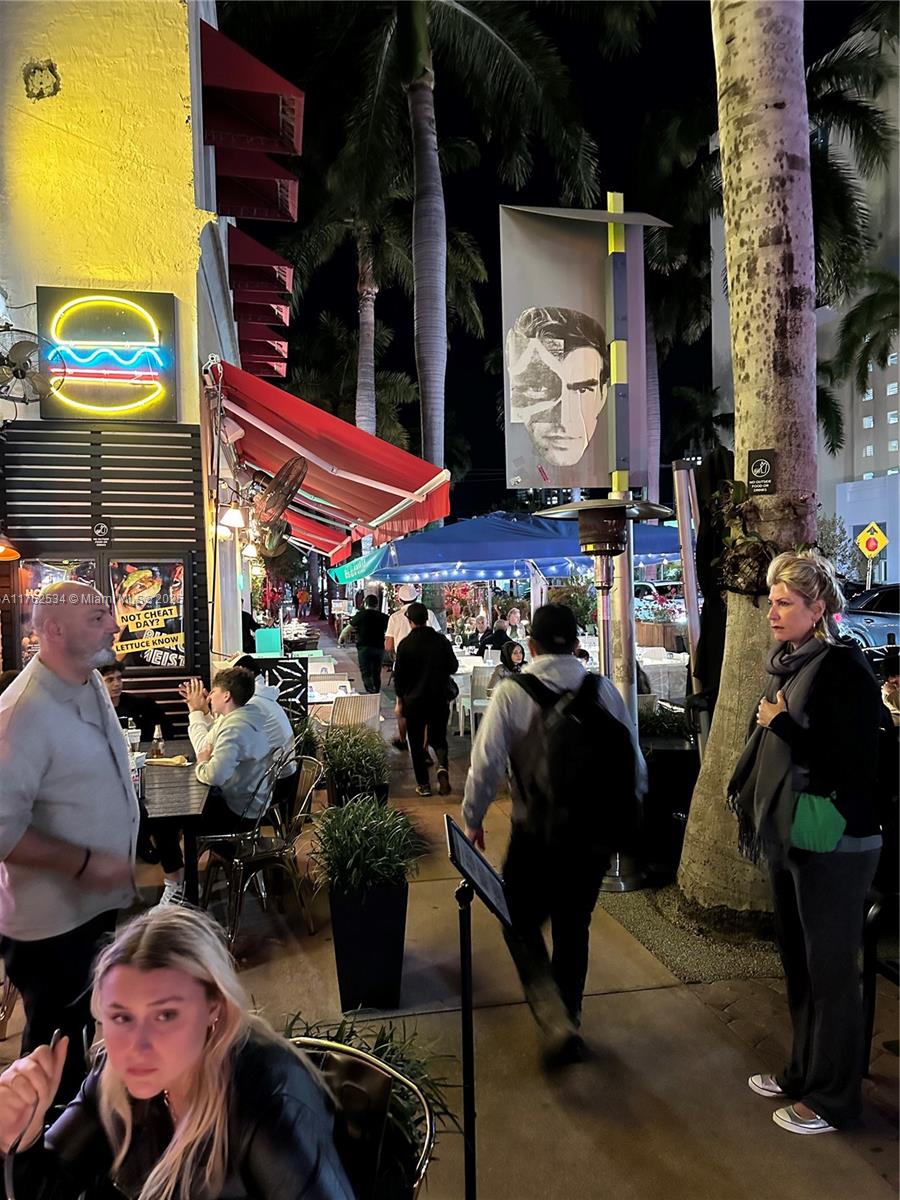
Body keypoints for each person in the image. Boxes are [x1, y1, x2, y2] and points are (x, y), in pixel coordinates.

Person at [0, 906, 355, 1199]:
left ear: (214, 1006)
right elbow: (50, 1188)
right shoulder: (113, 1079)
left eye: (166, 1015)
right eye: (121, 1017)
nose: (138, 1046)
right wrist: (21, 1137)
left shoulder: (267, 1104)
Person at [728, 552, 884, 1135]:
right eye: (772, 601)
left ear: (817, 609)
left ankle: (834, 1098)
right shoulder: (791, 664)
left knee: (832, 971)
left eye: (785, 602)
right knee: (799, 960)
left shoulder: (843, 668)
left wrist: (783, 725)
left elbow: (855, 762)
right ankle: (802, 1071)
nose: (773, 611)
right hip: (792, 830)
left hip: (835, 836)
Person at [462, 604, 644, 1068]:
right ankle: (571, 1013)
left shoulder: (512, 692)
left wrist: (473, 817)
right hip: (592, 838)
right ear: (576, 642)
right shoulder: (602, 690)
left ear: (532, 644)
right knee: (573, 924)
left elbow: (485, 765)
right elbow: (634, 761)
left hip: (534, 835)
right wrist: (625, 816)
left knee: (519, 922)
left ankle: (553, 1015)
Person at [0, 582, 137, 1103]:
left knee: (80, 1030)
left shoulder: (88, 680)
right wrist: (83, 862)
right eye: (98, 617)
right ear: (54, 630)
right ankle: (39, 1144)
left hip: (91, 906)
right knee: (51, 1054)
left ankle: (80, 1126)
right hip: (51, 925)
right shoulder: (20, 715)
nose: (115, 626)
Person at [152, 668, 271, 906]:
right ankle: (183, 881)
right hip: (247, 804)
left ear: (226, 696)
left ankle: (179, 886)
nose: (208, 697)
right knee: (168, 814)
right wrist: (199, 713)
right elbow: (208, 742)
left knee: (162, 819)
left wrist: (202, 762)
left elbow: (213, 775)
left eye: (213, 692)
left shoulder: (235, 728)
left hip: (239, 815)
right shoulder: (243, 717)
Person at [506, 306, 610, 485]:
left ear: (603, 395)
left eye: (582, 390)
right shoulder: (519, 470)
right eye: (539, 388)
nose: (564, 420)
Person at [393, 603, 459, 797]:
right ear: (427, 618)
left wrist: (399, 702)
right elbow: (453, 666)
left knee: (415, 742)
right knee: (439, 738)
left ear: (410, 621)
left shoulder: (405, 645)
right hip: (439, 698)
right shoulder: (441, 641)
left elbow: (399, 679)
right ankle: (442, 767)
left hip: (414, 702)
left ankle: (423, 785)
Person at [385, 585, 441, 752]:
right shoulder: (429, 614)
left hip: (404, 666)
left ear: (399, 599)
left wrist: (394, 653)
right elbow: (438, 636)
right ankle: (424, 747)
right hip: (427, 666)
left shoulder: (395, 617)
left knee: (401, 704)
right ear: (417, 597)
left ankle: (403, 739)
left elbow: (389, 646)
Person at [98, 661, 174, 740]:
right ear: (98, 683)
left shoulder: (144, 704)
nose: (117, 684)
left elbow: (167, 731)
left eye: (119, 678)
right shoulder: (93, 710)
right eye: (110, 680)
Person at [339, 594, 388, 694]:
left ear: (365, 603)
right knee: (376, 670)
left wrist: (341, 639)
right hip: (379, 647)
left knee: (365, 671)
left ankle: (370, 689)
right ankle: (376, 690)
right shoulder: (383, 617)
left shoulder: (360, 615)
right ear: (376, 604)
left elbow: (347, 629)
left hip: (364, 647)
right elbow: (389, 632)